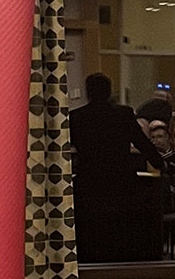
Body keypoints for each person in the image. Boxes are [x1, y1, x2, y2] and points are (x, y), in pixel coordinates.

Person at [70, 73, 166, 261]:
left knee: (92, 230)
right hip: (120, 180)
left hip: (90, 182)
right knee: (120, 229)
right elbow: (141, 143)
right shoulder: (123, 114)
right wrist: (159, 162)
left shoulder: (76, 117)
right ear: (108, 92)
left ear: (88, 92)